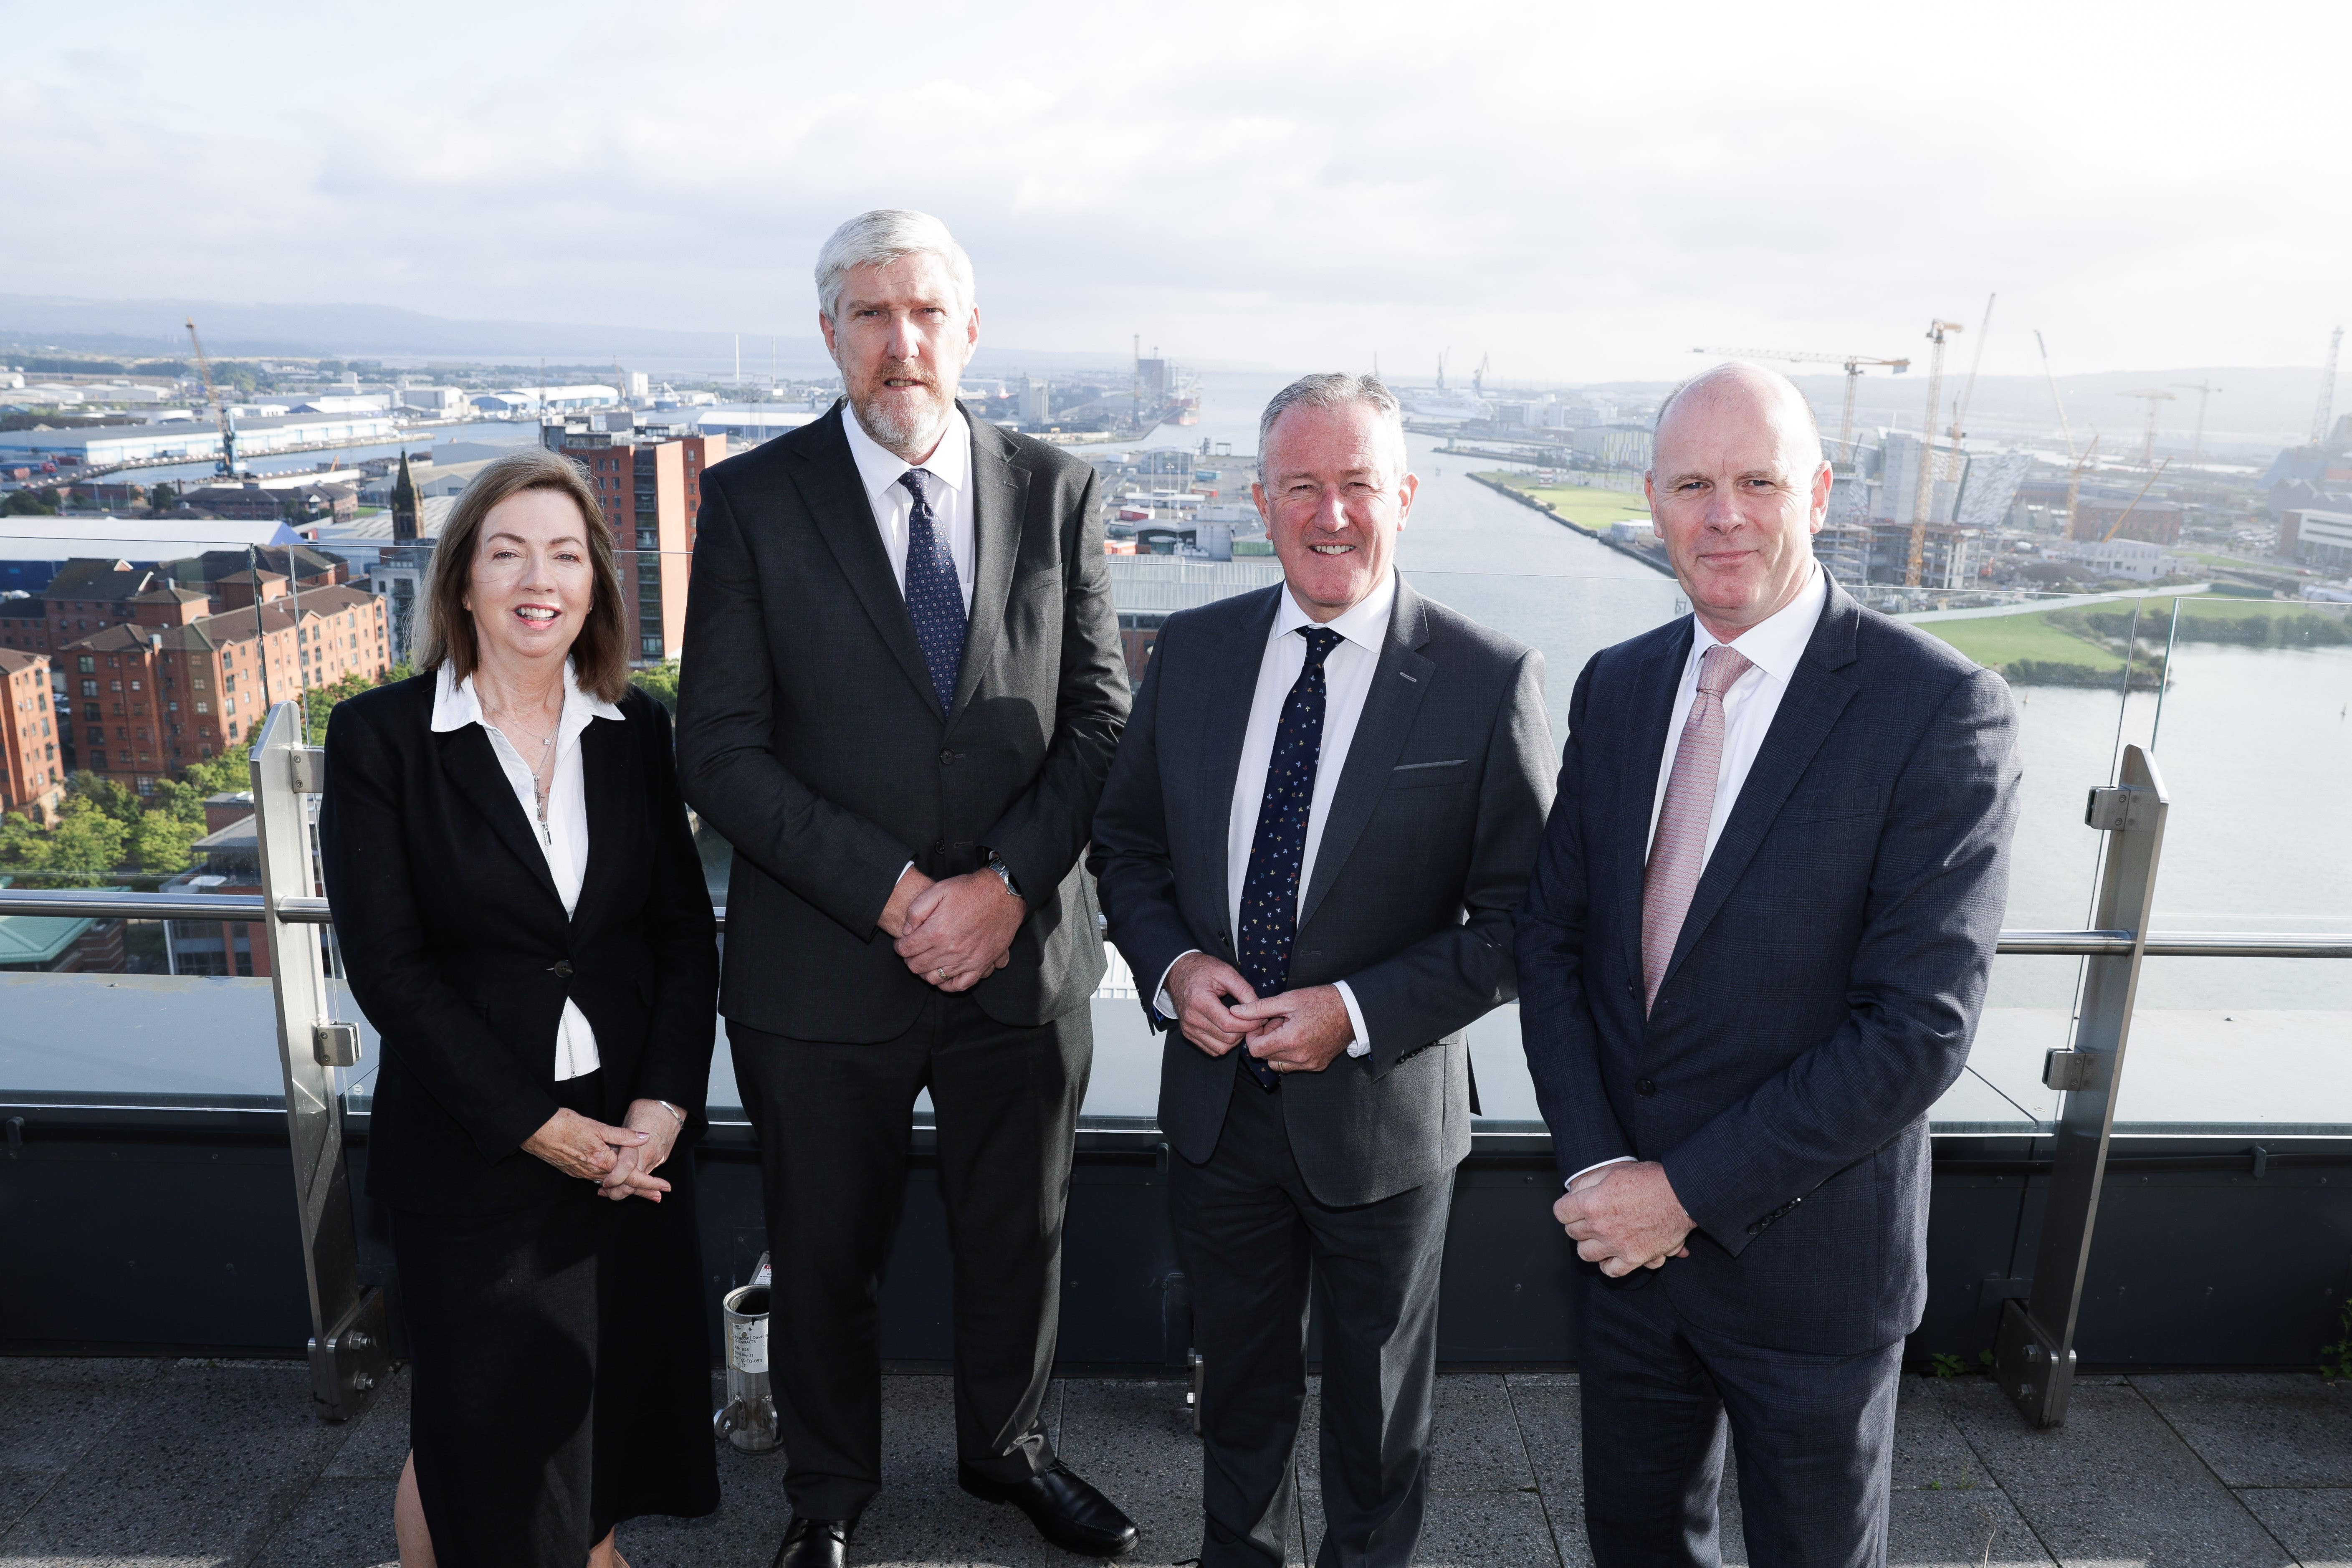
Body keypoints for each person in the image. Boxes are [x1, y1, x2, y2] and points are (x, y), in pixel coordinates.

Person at [674, 209, 1136, 1568]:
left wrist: (1000, 886)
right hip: (820, 963)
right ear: (829, 335)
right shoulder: (755, 502)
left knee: (1020, 1235)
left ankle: (1012, 1454)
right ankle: (825, 1489)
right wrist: (893, 893)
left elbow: (1101, 723)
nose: (901, 342)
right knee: (823, 1250)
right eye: (871, 315)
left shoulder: (1060, 488)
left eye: (926, 312)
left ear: (970, 330)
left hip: (1022, 951)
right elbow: (719, 748)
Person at [1515, 362, 2022, 1568]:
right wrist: (1602, 1174)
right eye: (1692, 484)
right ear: (1651, 499)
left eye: (1756, 481)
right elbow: (1551, 945)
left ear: (1821, 492)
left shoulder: (1938, 709)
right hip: (1625, 1260)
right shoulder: (1621, 684)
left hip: (1810, 1276)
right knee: (1635, 1546)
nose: (1721, 514)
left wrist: (1678, 1193)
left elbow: (1916, 1027)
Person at [1090, 374, 1554, 1568]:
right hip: (1215, 1106)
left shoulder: (1485, 676)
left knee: (1377, 1416)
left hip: (1383, 1121)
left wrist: (1352, 1013)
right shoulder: (1187, 655)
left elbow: (1523, 920)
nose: (1331, 512)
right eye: (1303, 485)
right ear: (1260, 500)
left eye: (1357, 484)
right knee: (1235, 1392)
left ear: (1403, 496)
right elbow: (1127, 850)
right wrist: (1174, 966)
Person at [321, 448, 721, 1568]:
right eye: (506, 553)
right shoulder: (383, 739)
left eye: (562, 554)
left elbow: (682, 937)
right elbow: (390, 969)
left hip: (629, 1142)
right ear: (460, 581)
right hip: (476, 1139)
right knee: (477, 1424)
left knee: (584, 1415)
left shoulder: (636, 731)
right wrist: (541, 1130)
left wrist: (662, 1106)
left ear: (595, 582)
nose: (536, 579)